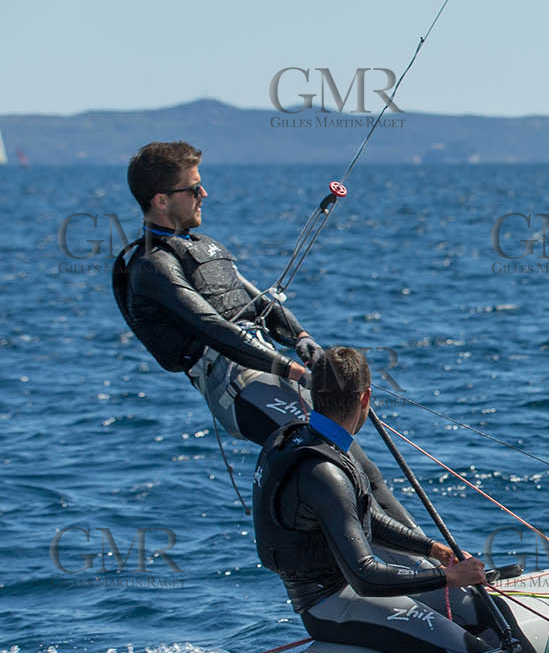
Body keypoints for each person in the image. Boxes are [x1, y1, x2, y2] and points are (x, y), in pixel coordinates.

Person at [112, 140, 416, 527]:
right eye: (194, 188)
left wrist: (301, 338)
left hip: (267, 371)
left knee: (364, 469)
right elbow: (214, 329)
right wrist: (292, 370)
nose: (204, 194)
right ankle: (423, 560)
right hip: (235, 387)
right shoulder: (151, 266)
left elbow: (260, 303)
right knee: (341, 467)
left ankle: (436, 555)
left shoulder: (204, 248)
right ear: (161, 200)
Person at [252, 347, 535, 653]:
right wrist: (447, 576)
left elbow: (361, 516)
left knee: (491, 611)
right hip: (332, 605)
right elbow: (366, 577)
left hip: (349, 588)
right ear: (366, 398)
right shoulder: (324, 471)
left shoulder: (303, 437)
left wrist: (428, 547)